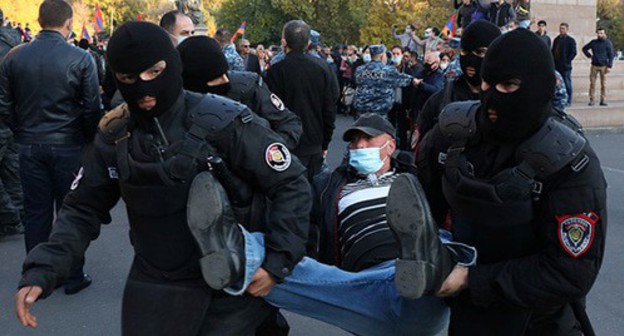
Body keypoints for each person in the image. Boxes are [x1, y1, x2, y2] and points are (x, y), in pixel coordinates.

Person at [14, 21, 311, 335]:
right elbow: (81, 208)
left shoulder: (224, 121)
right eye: (128, 78)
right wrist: (42, 269)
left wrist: (277, 262)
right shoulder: (115, 134)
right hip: (154, 285)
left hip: (230, 283)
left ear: (172, 65)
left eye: (153, 73)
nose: (143, 88)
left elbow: (290, 182)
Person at [187, 113, 477, 336]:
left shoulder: (416, 179)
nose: (358, 145)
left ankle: (419, 256)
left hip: (428, 288)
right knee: (277, 266)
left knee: (425, 272)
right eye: (353, 141)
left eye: (368, 139)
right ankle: (234, 249)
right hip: (358, 289)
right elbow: (289, 215)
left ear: (390, 144)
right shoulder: (328, 186)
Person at [417, 29, 607, 335]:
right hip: (468, 316)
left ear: (539, 88)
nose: (492, 97)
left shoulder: (569, 161)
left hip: (540, 321)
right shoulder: (453, 134)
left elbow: (570, 272)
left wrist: (471, 279)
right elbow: (421, 204)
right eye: (487, 84)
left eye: (508, 85)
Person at [0, 0, 101, 293]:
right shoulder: (82, 58)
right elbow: (91, 107)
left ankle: (35, 275)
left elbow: (5, 105)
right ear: (69, 23)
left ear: (40, 19)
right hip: (68, 144)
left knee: (36, 212)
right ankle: (72, 275)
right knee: (71, 211)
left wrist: (23, 131)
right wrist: (86, 139)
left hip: (31, 143)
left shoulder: (15, 57)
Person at [177, 35, 302, 150]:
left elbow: (289, 122)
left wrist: (269, 152)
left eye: (225, 74)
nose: (225, 81)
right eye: (217, 78)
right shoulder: (180, 108)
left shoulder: (247, 88)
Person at [265, 20, 339, 181]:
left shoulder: (275, 72)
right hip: (313, 141)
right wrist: (325, 142)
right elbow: (329, 108)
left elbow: (268, 111)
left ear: (284, 42)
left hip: (284, 143)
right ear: (308, 43)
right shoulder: (323, 68)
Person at [417, 20, 501, 143]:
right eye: (465, 52)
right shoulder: (440, 100)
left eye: (481, 52)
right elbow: (422, 149)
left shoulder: (506, 101)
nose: (471, 59)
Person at [0, 6, 24, 237]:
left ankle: (9, 215)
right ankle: (18, 213)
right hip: (12, 114)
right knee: (11, 168)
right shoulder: (14, 43)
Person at [352, 44, 419, 119]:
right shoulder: (388, 70)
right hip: (380, 111)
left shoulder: (360, 69)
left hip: (361, 110)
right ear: (382, 56)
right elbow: (403, 80)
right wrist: (414, 80)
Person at [582, 27, 615, 106]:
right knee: (592, 84)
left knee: (603, 84)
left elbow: (611, 55)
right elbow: (584, 49)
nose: (600, 35)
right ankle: (592, 100)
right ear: (597, 33)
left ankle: (602, 100)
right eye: (599, 33)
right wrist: (590, 56)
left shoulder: (608, 43)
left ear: (604, 34)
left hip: (604, 66)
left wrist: (609, 66)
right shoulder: (594, 42)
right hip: (594, 65)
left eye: (601, 33)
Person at [552, 22, 576, 106]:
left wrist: (567, 61)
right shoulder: (556, 39)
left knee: (567, 82)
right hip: (557, 65)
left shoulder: (570, 40)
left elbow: (573, 52)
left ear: (567, 29)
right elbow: (553, 51)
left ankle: (568, 100)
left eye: (563, 28)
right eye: (560, 28)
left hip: (566, 66)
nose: (561, 30)